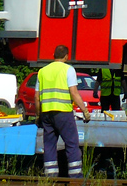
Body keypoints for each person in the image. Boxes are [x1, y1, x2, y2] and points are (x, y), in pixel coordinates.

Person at [37, 45, 90, 179]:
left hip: (46, 113)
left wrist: (39, 115)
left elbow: (36, 97)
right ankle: (76, 176)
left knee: (49, 145)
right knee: (71, 144)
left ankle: (50, 176)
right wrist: (84, 110)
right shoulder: (68, 69)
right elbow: (74, 92)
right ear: (66, 56)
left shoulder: (42, 71)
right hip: (63, 113)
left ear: (53, 55)